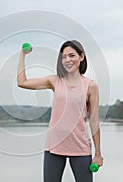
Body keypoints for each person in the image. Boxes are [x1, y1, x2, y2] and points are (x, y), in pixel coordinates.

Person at [17, 40, 103, 182]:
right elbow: (22, 82)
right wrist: (22, 55)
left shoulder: (91, 86)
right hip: (54, 147)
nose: (67, 60)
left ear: (81, 57)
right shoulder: (54, 81)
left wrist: (98, 153)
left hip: (80, 147)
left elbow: (94, 121)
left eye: (71, 55)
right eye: (64, 57)